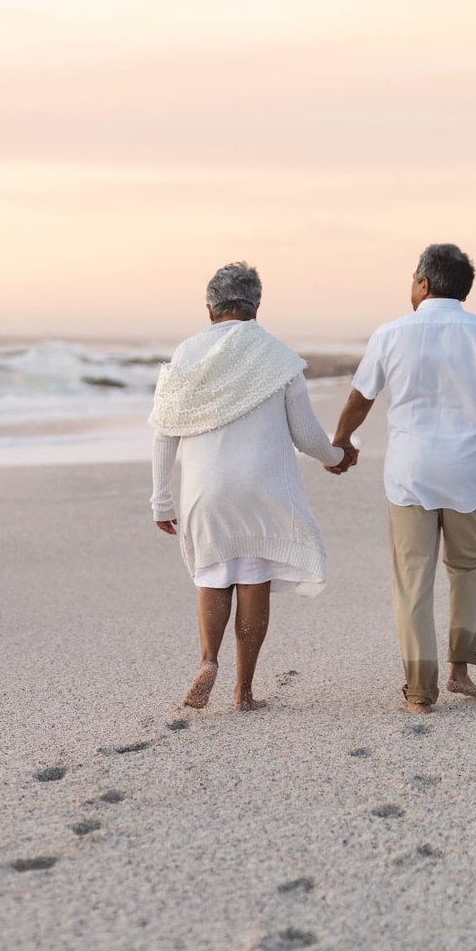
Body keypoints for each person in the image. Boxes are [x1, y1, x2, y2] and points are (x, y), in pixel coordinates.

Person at [328, 243, 476, 713]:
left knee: (412, 581)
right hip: (467, 474)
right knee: (467, 569)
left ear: (422, 283)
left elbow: (361, 399)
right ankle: (461, 670)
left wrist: (342, 444)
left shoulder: (391, 333)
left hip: (410, 475)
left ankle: (420, 692)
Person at [150, 261, 348, 711]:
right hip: (262, 487)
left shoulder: (185, 354)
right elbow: (306, 433)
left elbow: (165, 431)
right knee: (253, 580)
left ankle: (207, 660)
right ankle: (244, 691)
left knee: (213, 576)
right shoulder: (277, 355)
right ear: (257, 306)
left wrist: (161, 499)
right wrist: (337, 457)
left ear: (209, 309)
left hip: (205, 489)